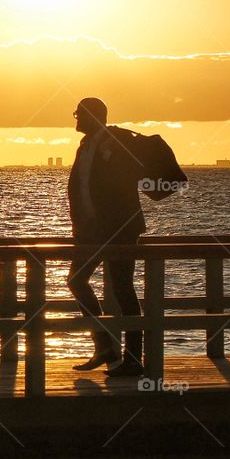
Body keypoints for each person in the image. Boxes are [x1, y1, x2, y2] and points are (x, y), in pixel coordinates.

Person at [66, 97, 145, 377]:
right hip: (90, 231)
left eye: (79, 114)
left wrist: (110, 223)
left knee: (123, 288)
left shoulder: (117, 141)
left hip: (119, 230)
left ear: (93, 116)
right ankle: (104, 347)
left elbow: (122, 186)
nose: (75, 118)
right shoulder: (85, 145)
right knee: (77, 280)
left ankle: (133, 358)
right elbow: (81, 187)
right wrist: (81, 225)